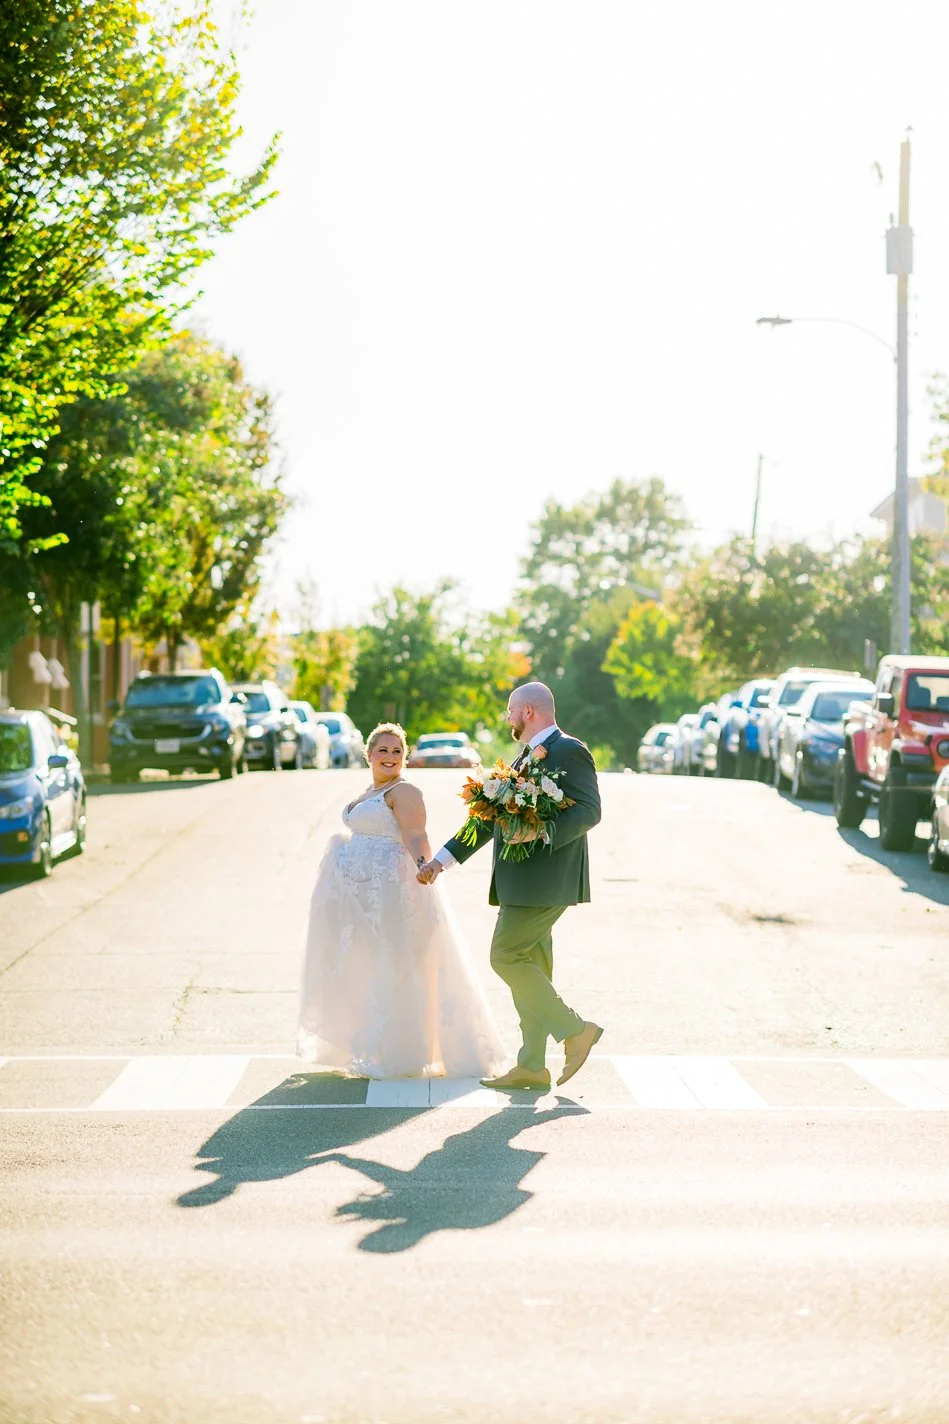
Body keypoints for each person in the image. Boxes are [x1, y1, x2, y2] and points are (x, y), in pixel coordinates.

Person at [417, 682, 603, 1092]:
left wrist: (542, 833)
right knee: (531, 969)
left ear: (529, 711)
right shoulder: (521, 758)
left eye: (510, 710)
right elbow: (485, 821)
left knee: (504, 956)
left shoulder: (570, 750)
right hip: (520, 884)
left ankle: (576, 1030)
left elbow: (590, 811)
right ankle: (532, 1065)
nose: (507, 718)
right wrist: (441, 861)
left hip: (547, 881)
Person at [297, 722, 504, 1080]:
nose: (390, 757)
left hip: (389, 892)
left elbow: (416, 833)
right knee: (365, 964)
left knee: (392, 964)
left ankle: (397, 1051)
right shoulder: (370, 791)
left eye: (397, 751)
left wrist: (424, 864)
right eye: (383, 750)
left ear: (405, 757)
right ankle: (368, 1044)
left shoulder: (404, 791)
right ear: (369, 754)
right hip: (361, 895)